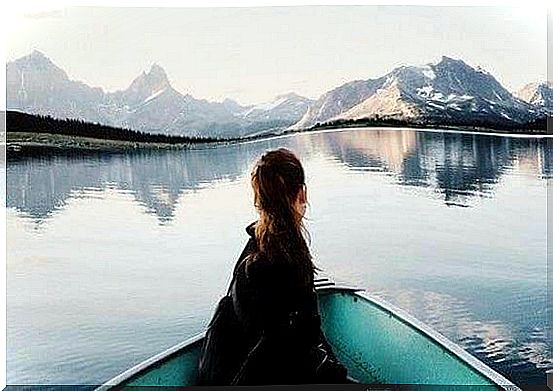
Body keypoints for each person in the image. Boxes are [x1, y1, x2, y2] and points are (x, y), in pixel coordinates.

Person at [198, 148, 348, 386]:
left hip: (224, 373)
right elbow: (295, 344)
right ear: (301, 193)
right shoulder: (287, 259)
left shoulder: (255, 244)